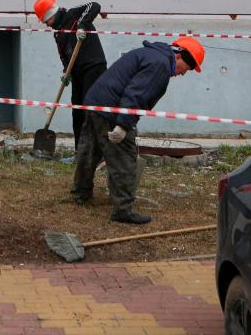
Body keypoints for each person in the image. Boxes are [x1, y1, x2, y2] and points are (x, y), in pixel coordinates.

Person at [71, 36, 206, 225]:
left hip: (96, 102)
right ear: (179, 57)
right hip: (113, 109)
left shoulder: (151, 54)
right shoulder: (160, 65)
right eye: (188, 69)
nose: (184, 74)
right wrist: (123, 125)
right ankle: (123, 210)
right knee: (124, 160)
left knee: (90, 150)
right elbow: (136, 94)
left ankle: (80, 193)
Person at [34, 0, 109, 151]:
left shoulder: (73, 15)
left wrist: (82, 26)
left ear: (51, 15)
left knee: (91, 109)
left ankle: (96, 151)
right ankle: (79, 152)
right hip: (77, 73)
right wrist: (65, 71)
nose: (46, 24)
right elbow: (64, 54)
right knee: (77, 112)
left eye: (46, 20)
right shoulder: (58, 33)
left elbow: (94, 4)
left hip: (94, 67)